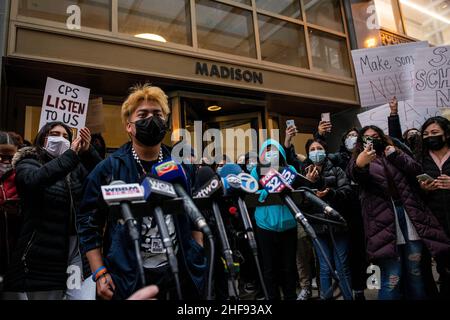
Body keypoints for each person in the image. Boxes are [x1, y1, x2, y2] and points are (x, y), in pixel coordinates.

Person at [77, 84, 207, 300]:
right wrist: (99, 272)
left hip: (178, 275)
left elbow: (194, 214)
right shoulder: (109, 169)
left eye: (157, 114)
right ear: (129, 126)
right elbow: (88, 222)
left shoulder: (182, 166)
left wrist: (196, 251)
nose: (151, 119)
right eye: (143, 114)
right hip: (127, 276)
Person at [348, 125, 450, 300]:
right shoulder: (360, 158)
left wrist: (396, 155)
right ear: (361, 142)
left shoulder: (394, 152)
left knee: (415, 273)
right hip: (382, 223)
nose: (372, 139)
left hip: (410, 217)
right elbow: (355, 175)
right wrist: (360, 163)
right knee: (391, 277)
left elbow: (417, 171)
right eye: (367, 137)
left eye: (375, 136)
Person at [4, 123, 101, 300]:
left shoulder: (76, 166)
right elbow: (34, 180)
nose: (61, 139)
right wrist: (71, 156)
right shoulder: (29, 163)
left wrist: (87, 154)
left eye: (66, 136)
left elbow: (102, 180)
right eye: (55, 134)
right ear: (42, 139)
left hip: (76, 254)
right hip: (43, 255)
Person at [301, 138, 353, 300]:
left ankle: (347, 297)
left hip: (338, 225)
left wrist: (330, 193)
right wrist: (308, 185)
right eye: (312, 149)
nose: (316, 151)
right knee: (324, 267)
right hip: (318, 227)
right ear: (308, 154)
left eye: (319, 148)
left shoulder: (337, 170)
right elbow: (301, 203)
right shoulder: (302, 174)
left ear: (325, 151)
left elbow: (347, 193)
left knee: (342, 266)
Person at [249, 140, 298, 300]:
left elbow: (296, 190)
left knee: (289, 268)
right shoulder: (256, 171)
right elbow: (249, 193)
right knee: (269, 269)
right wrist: (260, 192)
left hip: (289, 225)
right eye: (267, 150)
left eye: (274, 149)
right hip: (265, 226)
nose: (271, 153)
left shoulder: (290, 170)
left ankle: (290, 296)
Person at [419, 116, 450, 298]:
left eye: (435, 132)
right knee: (444, 270)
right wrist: (424, 189)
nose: (430, 136)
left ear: (445, 134)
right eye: (426, 134)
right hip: (435, 226)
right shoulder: (421, 159)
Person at [0, 132, 20, 290]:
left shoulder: (22, 176)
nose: (5, 162)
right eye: (1, 156)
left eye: (10, 157)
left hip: (16, 256)